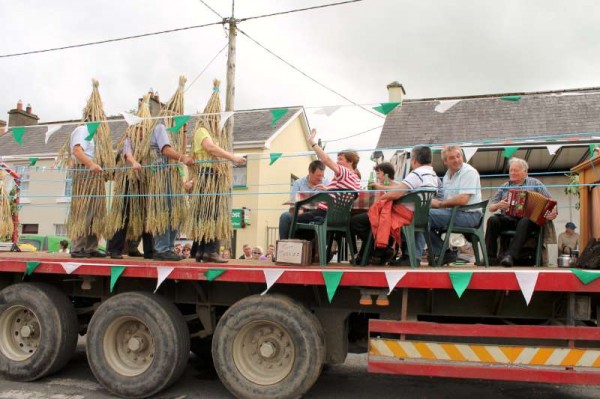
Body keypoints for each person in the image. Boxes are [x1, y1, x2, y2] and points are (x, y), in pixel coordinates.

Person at [351, 146, 441, 265]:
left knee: (357, 221)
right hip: (418, 216)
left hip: (402, 216)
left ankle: (381, 248)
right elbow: (403, 190)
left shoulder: (417, 174)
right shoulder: (433, 176)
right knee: (373, 221)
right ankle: (378, 252)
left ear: (414, 160)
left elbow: (396, 193)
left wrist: (382, 199)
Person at [293, 129, 361, 260]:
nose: (338, 162)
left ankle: (295, 254)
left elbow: (325, 159)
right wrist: (328, 190)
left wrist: (312, 142)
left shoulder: (344, 173)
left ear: (350, 162)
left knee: (295, 220)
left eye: (340, 159)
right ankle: (315, 253)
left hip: (324, 214)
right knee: (305, 220)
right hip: (339, 217)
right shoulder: (356, 179)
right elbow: (341, 195)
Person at [187, 118, 246, 264]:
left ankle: (202, 251)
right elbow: (210, 148)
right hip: (207, 175)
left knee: (206, 214)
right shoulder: (202, 131)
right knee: (210, 214)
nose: (217, 122)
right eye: (215, 119)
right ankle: (210, 251)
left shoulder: (210, 134)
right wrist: (232, 157)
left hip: (211, 176)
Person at [485, 158, 558, 267]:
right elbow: (491, 207)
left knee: (525, 220)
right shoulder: (504, 186)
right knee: (493, 220)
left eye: (516, 170)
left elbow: (551, 203)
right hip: (509, 219)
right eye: (511, 170)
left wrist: (553, 212)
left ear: (525, 172)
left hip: (530, 222)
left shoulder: (535, 183)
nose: (512, 173)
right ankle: (490, 258)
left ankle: (510, 256)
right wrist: (498, 205)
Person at [148, 120, 195, 261]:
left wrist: (184, 131)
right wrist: (183, 158)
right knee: (164, 211)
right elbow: (166, 150)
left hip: (174, 176)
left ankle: (169, 247)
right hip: (163, 175)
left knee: (177, 213)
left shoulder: (172, 132)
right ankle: (162, 249)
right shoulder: (161, 127)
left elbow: (180, 152)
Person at [429, 145, 483, 265]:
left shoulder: (469, 172)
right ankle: (445, 252)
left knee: (427, 216)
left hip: (471, 215)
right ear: (445, 161)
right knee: (421, 216)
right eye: (452, 158)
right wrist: (429, 201)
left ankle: (442, 252)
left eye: (458, 156)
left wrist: (440, 204)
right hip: (454, 213)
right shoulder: (447, 176)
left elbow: (463, 199)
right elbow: (445, 200)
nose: (457, 160)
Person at [69, 124, 107, 259]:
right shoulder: (83, 130)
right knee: (83, 211)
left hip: (95, 173)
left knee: (95, 212)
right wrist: (91, 165)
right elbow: (77, 151)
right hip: (85, 172)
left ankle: (91, 248)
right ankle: (78, 247)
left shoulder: (95, 135)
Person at [279, 160, 328, 240]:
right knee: (285, 217)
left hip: (318, 213)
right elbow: (293, 203)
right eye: (318, 175)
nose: (321, 178)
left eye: (322, 176)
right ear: (310, 172)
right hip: (301, 212)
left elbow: (330, 200)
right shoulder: (298, 183)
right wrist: (297, 210)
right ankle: (284, 247)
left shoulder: (326, 183)